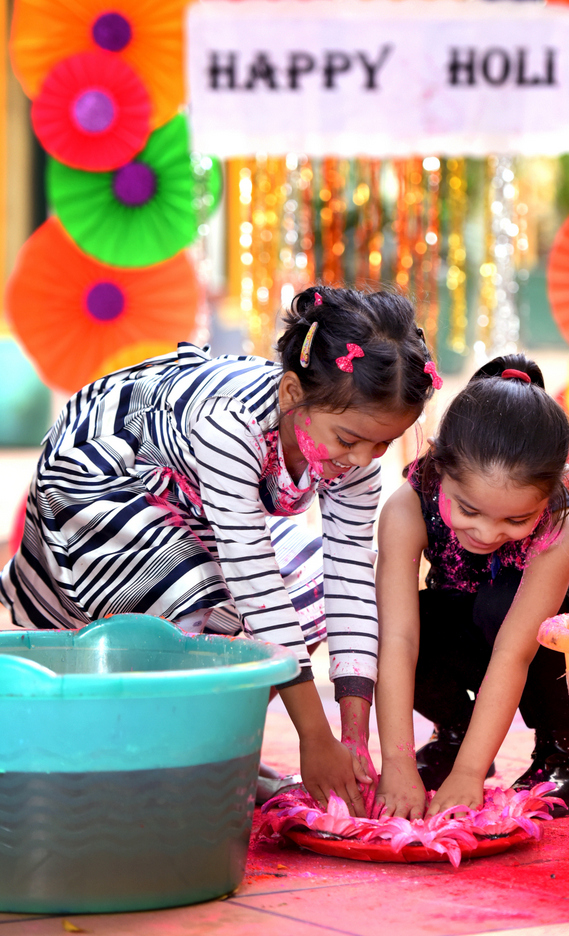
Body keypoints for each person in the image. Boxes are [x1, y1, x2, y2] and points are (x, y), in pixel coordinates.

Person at [0, 286, 439, 814]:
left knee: (309, 590)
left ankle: (219, 753)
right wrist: (313, 737)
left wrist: (351, 740)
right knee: (199, 605)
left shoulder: (352, 449)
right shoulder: (230, 427)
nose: (362, 459)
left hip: (191, 501)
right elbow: (252, 580)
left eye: (383, 445)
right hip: (96, 480)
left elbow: (348, 584)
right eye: (349, 440)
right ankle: (167, 764)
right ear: (292, 394)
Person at [373, 353, 569, 820]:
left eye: (515, 519)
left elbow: (515, 652)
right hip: (481, 622)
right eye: (468, 510)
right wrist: (397, 762)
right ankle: (457, 733)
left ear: (549, 494)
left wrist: (468, 776)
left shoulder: (559, 526)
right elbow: (400, 640)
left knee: (500, 605)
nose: (487, 534)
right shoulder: (407, 508)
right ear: (439, 469)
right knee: (391, 621)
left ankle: (563, 751)